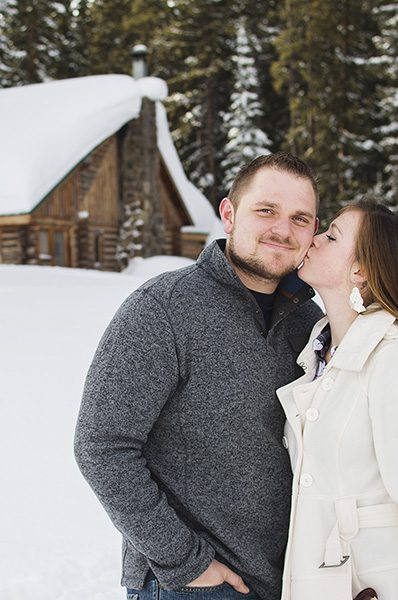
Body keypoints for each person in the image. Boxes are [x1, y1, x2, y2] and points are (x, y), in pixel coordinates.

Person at [74, 153, 324, 600]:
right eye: (266, 210)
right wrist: (185, 563)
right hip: (194, 586)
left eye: (299, 218)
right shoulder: (163, 308)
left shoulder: (310, 322)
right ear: (228, 214)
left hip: (291, 582)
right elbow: (102, 446)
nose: (282, 230)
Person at [278, 199, 398, 600]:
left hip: (376, 586)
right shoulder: (317, 353)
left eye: (331, 236)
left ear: (361, 270)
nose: (313, 240)